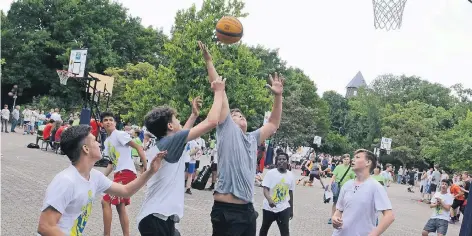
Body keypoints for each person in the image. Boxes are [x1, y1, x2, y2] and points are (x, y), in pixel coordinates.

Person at [198, 41, 284, 236]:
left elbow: (273, 124)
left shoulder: (253, 138)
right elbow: (220, 92)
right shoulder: (227, 128)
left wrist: (278, 96)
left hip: (247, 210)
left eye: (242, 115)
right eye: (236, 115)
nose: (240, 117)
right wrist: (209, 62)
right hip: (226, 211)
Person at [36, 125, 166, 235]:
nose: (99, 143)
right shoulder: (66, 181)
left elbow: (126, 191)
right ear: (85, 149)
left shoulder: (94, 176)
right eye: (94, 140)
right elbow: (45, 226)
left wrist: (150, 171)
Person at [136, 78, 225, 235]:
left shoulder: (165, 142)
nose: (179, 121)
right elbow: (212, 121)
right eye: (176, 119)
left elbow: (183, 136)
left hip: (159, 218)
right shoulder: (170, 142)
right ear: (170, 126)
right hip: (156, 219)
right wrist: (219, 92)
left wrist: (193, 115)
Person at [100, 112, 148, 236]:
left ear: (115, 123)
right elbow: (111, 163)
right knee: (120, 207)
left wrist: (146, 170)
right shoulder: (107, 142)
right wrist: (100, 178)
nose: (108, 122)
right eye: (106, 120)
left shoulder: (119, 134)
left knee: (105, 201)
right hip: (118, 174)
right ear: (102, 123)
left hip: (126, 173)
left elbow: (138, 147)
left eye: (111, 120)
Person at [331, 149, 395, 236]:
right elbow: (339, 210)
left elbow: (389, 216)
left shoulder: (375, 187)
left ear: (368, 162)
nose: (352, 160)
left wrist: (373, 234)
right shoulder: (347, 185)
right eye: (353, 158)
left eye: (357, 157)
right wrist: (335, 218)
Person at [259, 152, 295, 236]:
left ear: (287, 161)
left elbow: (291, 193)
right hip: (269, 208)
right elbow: (265, 189)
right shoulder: (270, 173)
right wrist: (269, 200)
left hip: (283, 207)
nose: (281, 161)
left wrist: (291, 209)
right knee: (264, 228)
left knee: (285, 231)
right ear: (276, 161)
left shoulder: (290, 175)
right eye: (279, 159)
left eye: (284, 159)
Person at [327, 154, 356, 224]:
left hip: (347, 189)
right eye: (344, 159)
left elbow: (354, 179)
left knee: (345, 203)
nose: (346, 160)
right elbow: (333, 176)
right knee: (335, 202)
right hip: (338, 187)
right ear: (342, 160)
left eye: (347, 159)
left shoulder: (351, 169)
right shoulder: (338, 167)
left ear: (349, 160)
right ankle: (332, 217)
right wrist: (329, 184)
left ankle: (342, 218)